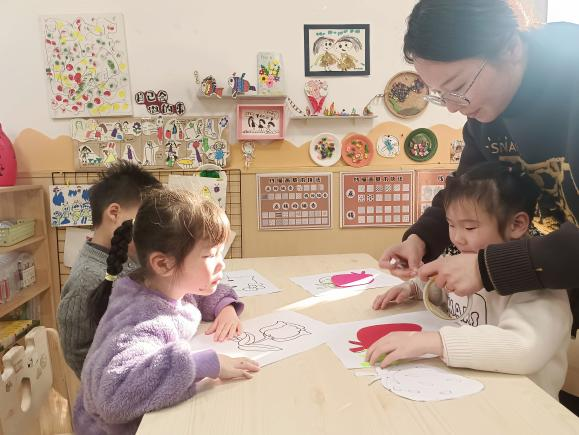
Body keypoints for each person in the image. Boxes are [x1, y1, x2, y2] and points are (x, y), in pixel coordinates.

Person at [380, 0, 579, 333]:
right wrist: (420, 239)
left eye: (458, 88)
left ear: (510, 48)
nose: (452, 108)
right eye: (440, 94)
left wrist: (486, 268)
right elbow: (467, 189)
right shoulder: (486, 114)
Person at [370, 162, 571, 399]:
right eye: (451, 225)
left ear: (516, 225)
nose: (457, 238)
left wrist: (435, 341)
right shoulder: (465, 255)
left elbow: (523, 348)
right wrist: (414, 287)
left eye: (470, 227)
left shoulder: (537, 282)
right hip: (472, 389)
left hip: (523, 403)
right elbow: (442, 289)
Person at [74, 189, 259, 435]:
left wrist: (225, 307)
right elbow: (112, 397)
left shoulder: (163, 285)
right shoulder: (140, 320)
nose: (221, 264)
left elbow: (197, 293)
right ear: (163, 263)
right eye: (209, 255)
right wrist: (201, 364)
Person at [57, 161, 162, 378]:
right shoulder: (86, 281)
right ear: (114, 213)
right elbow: (79, 356)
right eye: (145, 222)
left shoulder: (131, 258)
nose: (150, 233)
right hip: (121, 385)